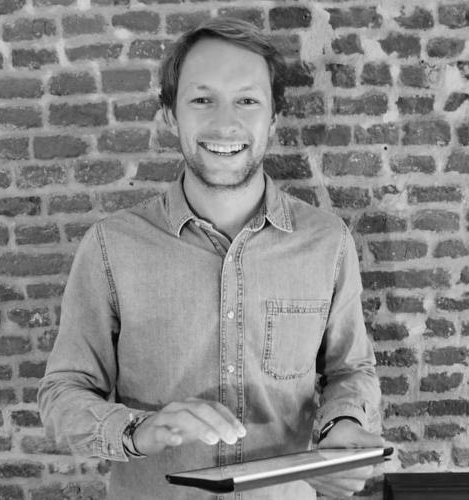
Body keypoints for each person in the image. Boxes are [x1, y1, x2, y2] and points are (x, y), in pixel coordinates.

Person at [38, 17, 384, 500]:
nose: (225, 123)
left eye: (247, 100)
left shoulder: (328, 242)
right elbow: (62, 394)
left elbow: (350, 371)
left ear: (273, 118)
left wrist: (343, 425)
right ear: (171, 116)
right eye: (202, 100)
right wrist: (138, 430)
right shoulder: (110, 247)